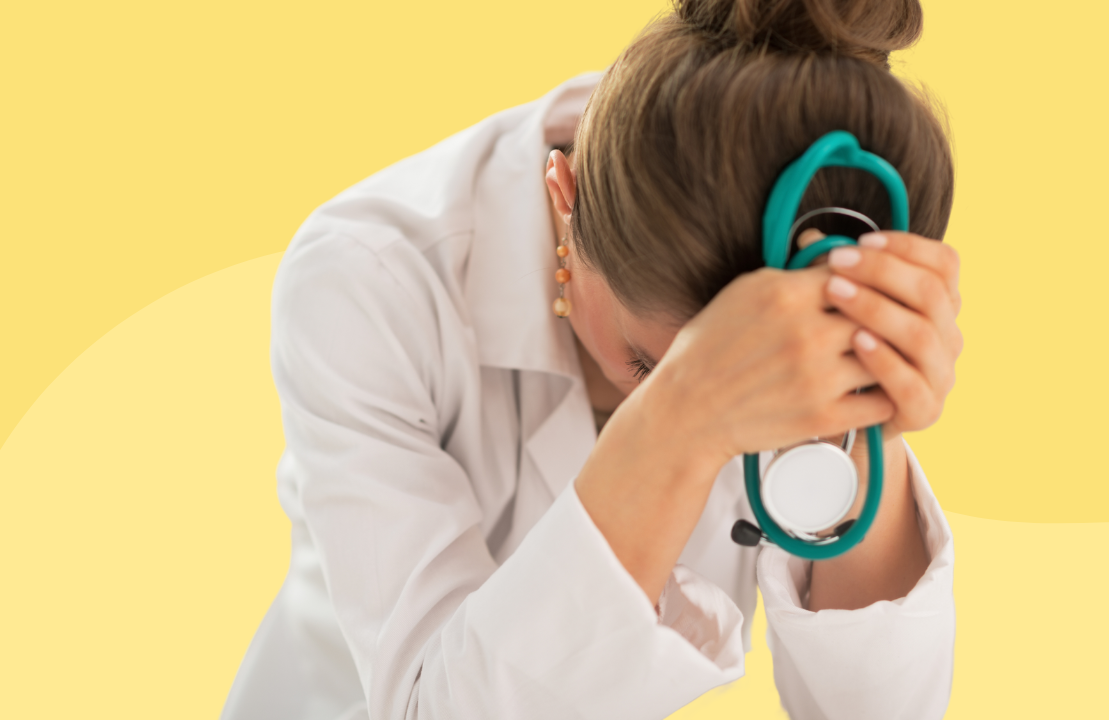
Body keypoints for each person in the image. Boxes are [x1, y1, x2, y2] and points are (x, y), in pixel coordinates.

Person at [222, 0, 962, 717]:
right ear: (563, 203)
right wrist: (681, 414)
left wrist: (868, 407)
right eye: (647, 364)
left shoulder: (813, 256)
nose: (743, 406)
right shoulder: (368, 278)